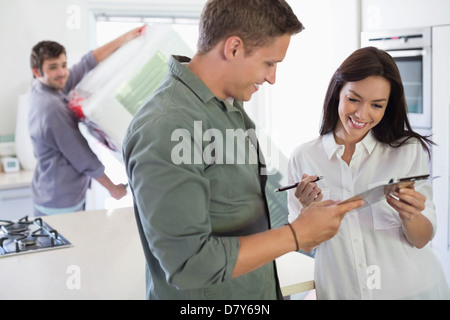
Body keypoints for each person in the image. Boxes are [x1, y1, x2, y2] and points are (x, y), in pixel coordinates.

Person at [123, 0, 363, 300]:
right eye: (269, 63)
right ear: (234, 48)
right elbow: (189, 264)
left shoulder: (228, 107)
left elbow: (236, 210)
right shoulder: (166, 126)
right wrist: (296, 235)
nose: (272, 78)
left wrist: (301, 217)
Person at [288, 46, 450, 299]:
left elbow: (421, 239)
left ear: (388, 106)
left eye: (377, 105)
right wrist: (308, 212)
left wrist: (411, 215)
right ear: (337, 91)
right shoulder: (304, 157)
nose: (362, 114)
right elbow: (307, 244)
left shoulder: (407, 150)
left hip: (413, 291)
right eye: (353, 99)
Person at [29, 26, 145, 215]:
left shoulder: (45, 88)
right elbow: (82, 156)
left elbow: (85, 64)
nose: (62, 73)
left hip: (53, 192)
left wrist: (125, 38)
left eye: (63, 65)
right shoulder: (51, 108)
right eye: (53, 67)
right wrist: (113, 188)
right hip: (59, 202)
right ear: (37, 71)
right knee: (69, 244)